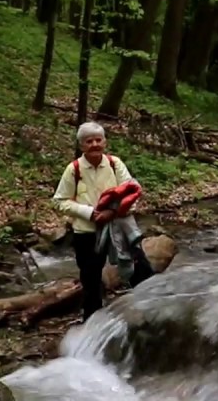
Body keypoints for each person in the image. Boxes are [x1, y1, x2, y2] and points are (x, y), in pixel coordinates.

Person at [52, 122, 155, 321]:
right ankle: (92, 320)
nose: (95, 144)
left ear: (105, 142)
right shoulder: (74, 169)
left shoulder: (115, 164)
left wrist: (111, 213)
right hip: (86, 232)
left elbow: (132, 191)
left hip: (119, 227)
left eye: (98, 140)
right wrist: (91, 213)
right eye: (89, 141)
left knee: (139, 267)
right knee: (90, 280)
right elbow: (60, 202)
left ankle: (151, 307)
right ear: (81, 146)